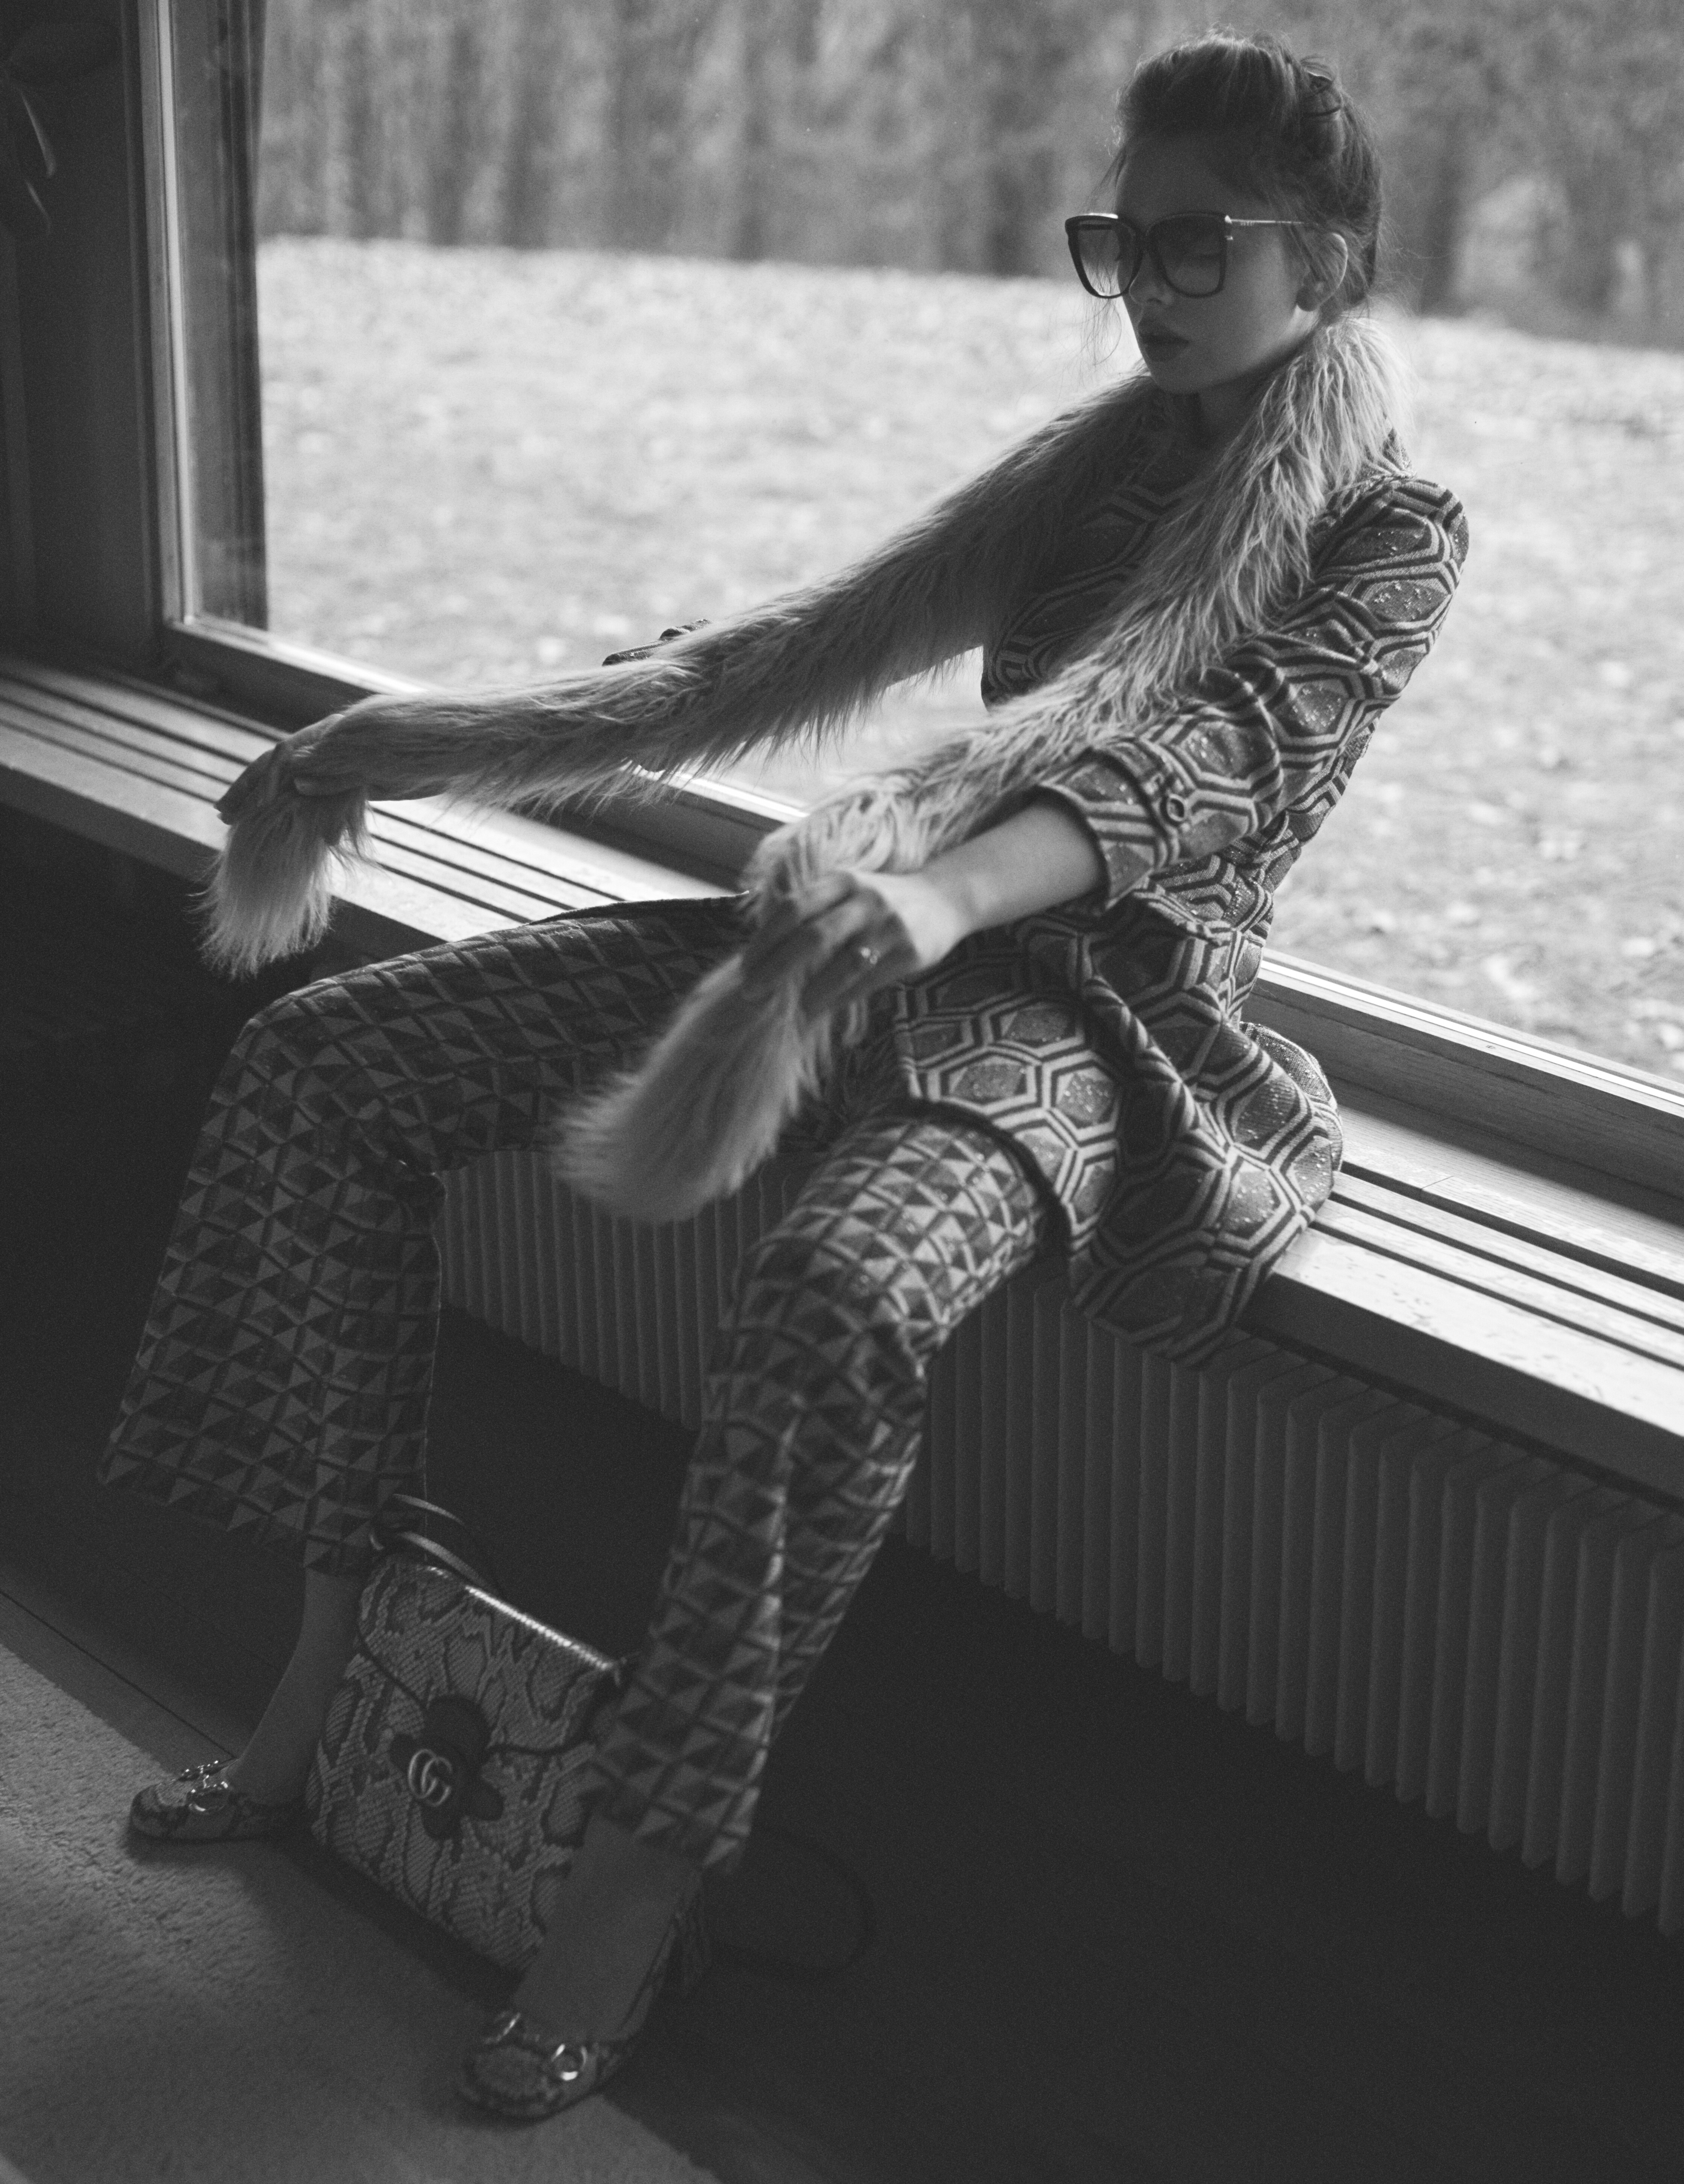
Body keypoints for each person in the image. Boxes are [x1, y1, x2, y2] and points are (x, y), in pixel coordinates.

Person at [109, 30, 1467, 2121]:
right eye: (1122, 239)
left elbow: (1223, 763)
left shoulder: (1394, 523)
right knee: (325, 1061)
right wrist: (414, 738)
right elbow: (772, 661)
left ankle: (638, 1871)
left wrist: (939, 896)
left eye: (1199, 242)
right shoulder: (1090, 466)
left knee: (836, 1294)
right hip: (869, 939)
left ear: (1335, 258)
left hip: (1100, 1018)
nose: (1148, 282)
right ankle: (325, 1668)